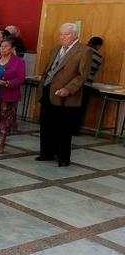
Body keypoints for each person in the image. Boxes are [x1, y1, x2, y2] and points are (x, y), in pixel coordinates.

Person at [36, 23, 93, 167]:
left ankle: (63, 157)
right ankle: (47, 152)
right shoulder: (56, 48)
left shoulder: (84, 51)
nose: (62, 37)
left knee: (64, 128)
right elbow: (49, 69)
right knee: (47, 124)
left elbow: (82, 75)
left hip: (66, 96)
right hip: (48, 91)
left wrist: (68, 88)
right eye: (61, 34)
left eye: (66, 34)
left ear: (75, 35)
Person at [74, 36, 103, 134]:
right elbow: (94, 71)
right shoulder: (99, 57)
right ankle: (75, 129)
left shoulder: (79, 49)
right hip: (87, 84)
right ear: (98, 46)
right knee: (81, 107)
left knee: (70, 105)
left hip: (74, 83)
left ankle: (65, 127)